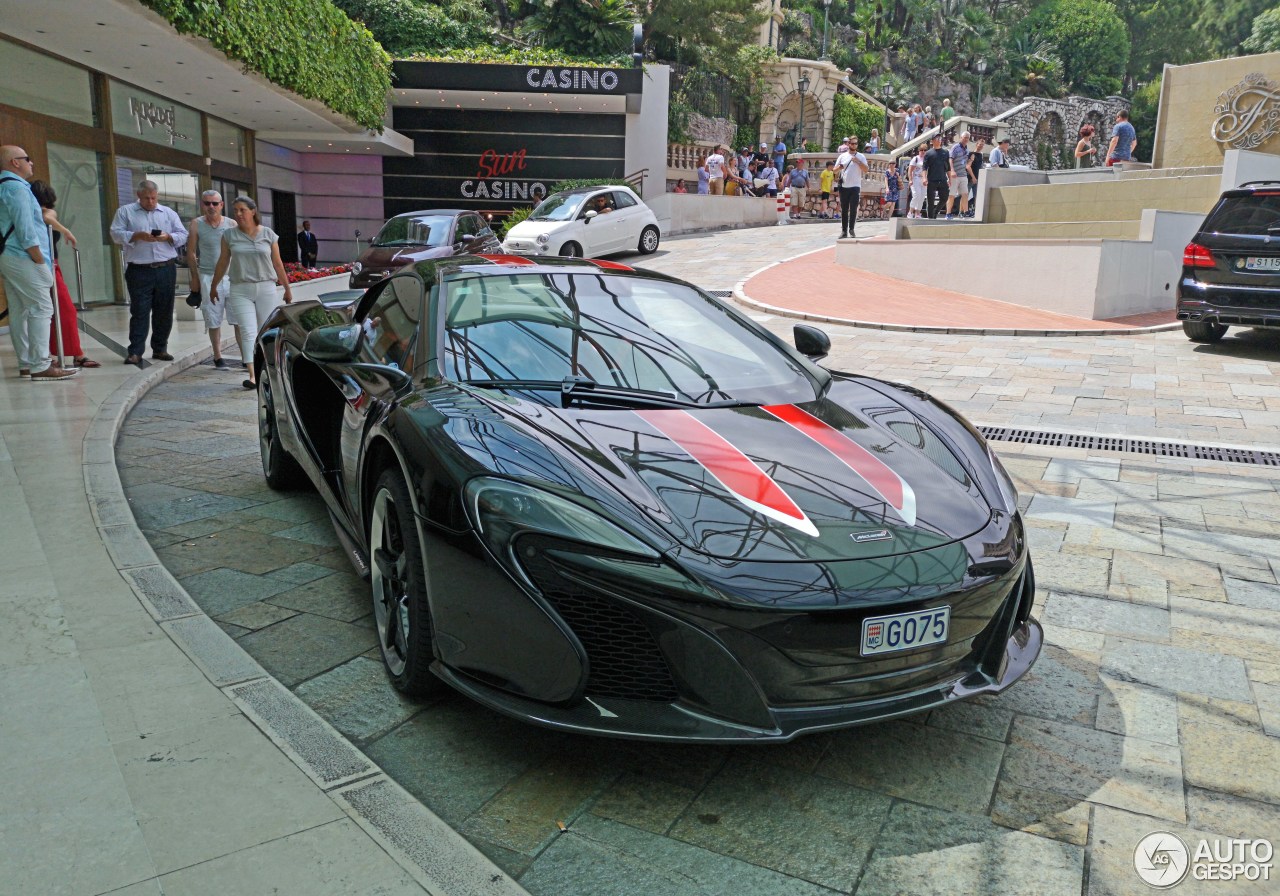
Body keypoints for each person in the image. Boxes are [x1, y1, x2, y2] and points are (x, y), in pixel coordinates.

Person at [0, 146, 78, 381]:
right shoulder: (16, 188)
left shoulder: (6, 186)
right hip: (23, 256)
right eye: (27, 159)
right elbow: (26, 229)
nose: (31, 163)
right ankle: (40, 364)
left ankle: (27, 362)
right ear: (15, 162)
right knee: (41, 308)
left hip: (10, 255)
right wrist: (39, 260)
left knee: (20, 311)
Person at [209, 196, 293, 390]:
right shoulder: (229, 235)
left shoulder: (268, 234)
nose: (238, 214)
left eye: (242, 210)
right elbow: (223, 262)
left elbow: (278, 263)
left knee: (266, 331)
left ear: (253, 211)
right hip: (240, 288)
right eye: (235, 210)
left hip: (266, 287)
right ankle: (253, 375)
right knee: (247, 330)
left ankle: (271, 370)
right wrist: (214, 285)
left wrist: (287, 288)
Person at [110, 179, 188, 366]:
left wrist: (168, 237)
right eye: (147, 198)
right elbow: (115, 233)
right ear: (139, 196)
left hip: (165, 268)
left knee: (164, 310)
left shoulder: (168, 213)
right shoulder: (125, 212)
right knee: (140, 311)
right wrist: (136, 235)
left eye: (153, 198)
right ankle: (135, 351)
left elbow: (183, 234)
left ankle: (160, 348)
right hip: (139, 269)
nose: (151, 202)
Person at [29, 180, 99, 368]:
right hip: (40, 263)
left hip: (49, 264)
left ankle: (74, 352)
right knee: (48, 310)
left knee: (62, 308)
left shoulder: (45, 213)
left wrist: (63, 229)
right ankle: (60, 353)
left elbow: (47, 216)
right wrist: (66, 230)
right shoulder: (30, 214)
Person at [187, 189, 240, 369]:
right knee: (213, 319)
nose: (211, 206)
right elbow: (191, 252)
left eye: (214, 203)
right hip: (208, 277)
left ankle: (246, 356)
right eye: (207, 203)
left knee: (238, 319)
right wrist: (195, 278)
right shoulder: (196, 224)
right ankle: (218, 356)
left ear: (221, 205)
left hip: (231, 278)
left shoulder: (232, 224)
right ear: (202, 204)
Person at [833, 135, 869, 239]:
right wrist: (840, 167)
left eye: (856, 143)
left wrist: (857, 161)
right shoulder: (842, 156)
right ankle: (844, 231)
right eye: (852, 143)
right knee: (844, 209)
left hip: (855, 186)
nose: (854, 145)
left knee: (853, 208)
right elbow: (834, 171)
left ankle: (851, 229)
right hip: (844, 186)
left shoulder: (861, 156)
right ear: (848, 144)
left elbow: (866, 170)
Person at [945, 131, 972, 219]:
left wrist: (971, 160)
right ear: (961, 138)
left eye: (967, 138)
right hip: (955, 175)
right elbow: (950, 159)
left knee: (965, 194)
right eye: (964, 137)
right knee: (951, 194)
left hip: (963, 175)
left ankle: (966, 212)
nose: (966, 139)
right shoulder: (955, 147)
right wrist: (952, 170)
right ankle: (948, 213)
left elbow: (965, 163)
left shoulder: (967, 149)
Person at [923, 134, 951, 219]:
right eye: (937, 138)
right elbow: (924, 167)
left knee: (944, 198)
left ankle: (936, 211)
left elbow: (948, 167)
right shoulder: (928, 153)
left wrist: (950, 178)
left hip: (942, 179)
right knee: (930, 201)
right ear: (932, 141)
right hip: (932, 180)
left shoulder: (945, 152)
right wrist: (924, 178)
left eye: (940, 138)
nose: (939, 140)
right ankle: (931, 218)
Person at [966, 136, 986, 214]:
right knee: (965, 196)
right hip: (970, 178)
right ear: (976, 144)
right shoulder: (971, 154)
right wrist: (973, 177)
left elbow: (980, 167)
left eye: (982, 145)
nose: (981, 146)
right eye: (980, 144)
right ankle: (963, 211)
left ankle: (974, 211)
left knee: (976, 196)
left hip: (977, 179)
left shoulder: (981, 155)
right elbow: (968, 167)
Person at [908, 144, 927, 218]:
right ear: (919, 151)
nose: (923, 151)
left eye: (924, 150)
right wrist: (910, 180)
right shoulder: (915, 158)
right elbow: (910, 170)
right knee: (916, 195)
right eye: (921, 150)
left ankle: (917, 213)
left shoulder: (927, 159)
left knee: (922, 196)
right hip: (916, 178)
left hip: (924, 179)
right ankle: (910, 212)